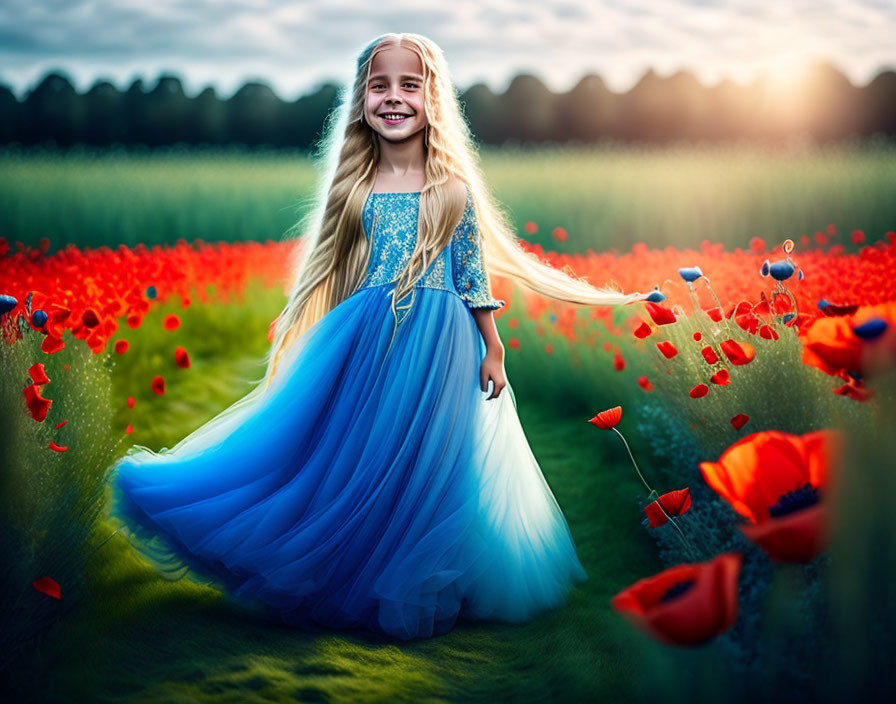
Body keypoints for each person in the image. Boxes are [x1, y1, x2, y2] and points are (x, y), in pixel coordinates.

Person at [104, 32, 651, 640]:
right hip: (368, 335)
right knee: (360, 452)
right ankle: (348, 569)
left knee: (433, 459)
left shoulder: (452, 192)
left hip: (444, 341)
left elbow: (470, 273)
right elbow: (335, 271)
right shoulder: (356, 190)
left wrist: (492, 345)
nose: (393, 98)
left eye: (409, 85)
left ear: (432, 98)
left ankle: (422, 578)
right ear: (362, 98)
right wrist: (310, 340)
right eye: (379, 85)